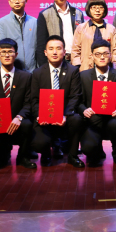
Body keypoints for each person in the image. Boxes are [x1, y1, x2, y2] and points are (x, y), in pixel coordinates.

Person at [0, 38, 37, 169]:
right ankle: (3, 155)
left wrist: (19, 117)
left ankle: (23, 157)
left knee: (27, 124)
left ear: (16, 54)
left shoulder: (26, 76)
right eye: (3, 52)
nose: (7, 55)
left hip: (17, 122)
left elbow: (28, 103)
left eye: (10, 52)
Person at [30, 35, 84, 168]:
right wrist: (39, 115)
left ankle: (72, 155)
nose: (54, 52)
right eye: (51, 49)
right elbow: (34, 99)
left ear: (64, 52)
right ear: (45, 52)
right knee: (39, 143)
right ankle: (46, 153)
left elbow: (75, 96)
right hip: (45, 117)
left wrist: (65, 115)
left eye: (58, 49)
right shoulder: (37, 73)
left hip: (65, 115)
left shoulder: (73, 71)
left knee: (77, 119)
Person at [77, 40, 116, 167]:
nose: (102, 57)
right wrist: (84, 110)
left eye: (105, 53)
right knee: (89, 149)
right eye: (98, 54)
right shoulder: (83, 76)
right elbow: (78, 102)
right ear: (92, 56)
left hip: (112, 119)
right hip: (92, 120)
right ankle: (97, 151)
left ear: (110, 55)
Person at [36, 0, 84, 67]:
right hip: (55, 61)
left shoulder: (78, 13)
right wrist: (44, 66)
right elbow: (41, 44)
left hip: (76, 60)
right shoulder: (45, 14)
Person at [71, 0, 116, 71]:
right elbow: (75, 51)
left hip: (106, 69)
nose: (97, 10)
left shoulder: (111, 29)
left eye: (100, 7)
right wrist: (76, 70)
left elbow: (115, 52)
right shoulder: (81, 28)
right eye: (94, 7)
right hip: (85, 69)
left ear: (105, 9)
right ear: (89, 9)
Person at [0, 0, 37, 72]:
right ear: (9, 2)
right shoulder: (1, 23)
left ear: (26, 1)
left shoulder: (34, 22)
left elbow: (38, 48)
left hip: (32, 71)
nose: (17, 1)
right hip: (12, 71)